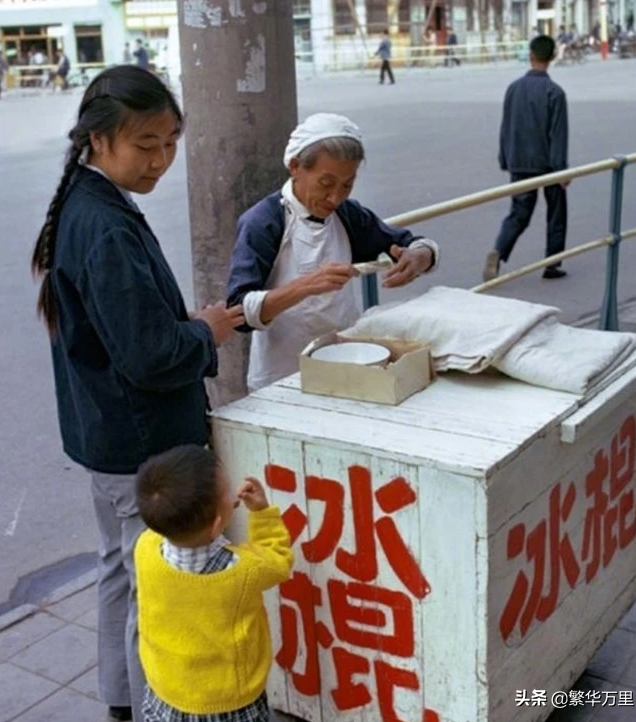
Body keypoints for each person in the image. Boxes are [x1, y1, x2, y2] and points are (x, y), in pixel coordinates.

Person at [30, 65, 245, 722]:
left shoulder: (86, 204)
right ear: (98, 140)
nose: (161, 159)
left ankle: (120, 702)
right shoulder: (105, 225)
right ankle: (145, 708)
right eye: (144, 143)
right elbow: (151, 356)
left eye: (171, 140)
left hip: (105, 439)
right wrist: (202, 332)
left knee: (120, 576)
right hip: (139, 448)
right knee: (149, 591)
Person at [227, 112, 440, 392]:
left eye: (347, 185)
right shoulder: (264, 222)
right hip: (281, 375)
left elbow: (411, 243)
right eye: (326, 184)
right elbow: (238, 311)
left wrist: (418, 256)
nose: (335, 197)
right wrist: (305, 286)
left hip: (346, 363)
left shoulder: (347, 215)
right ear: (295, 167)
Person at [135, 444, 293, 722]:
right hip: (229, 703)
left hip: (167, 693)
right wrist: (262, 513)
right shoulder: (241, 570)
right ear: (218, 523)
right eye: (227, 492)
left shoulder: (145, 547)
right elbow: (279, 560)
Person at [483, 35, 569, 282]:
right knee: (556, 213)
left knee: (519, 213)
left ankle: (498, 252)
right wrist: (561, 169)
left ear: (531, 55)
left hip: (520, 161)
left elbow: (506, 126)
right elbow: (558, 134)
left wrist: (505, 158)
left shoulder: (513, 88)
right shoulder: (555, 93)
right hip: (548, 164)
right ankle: (552, 263)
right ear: (552, 57)